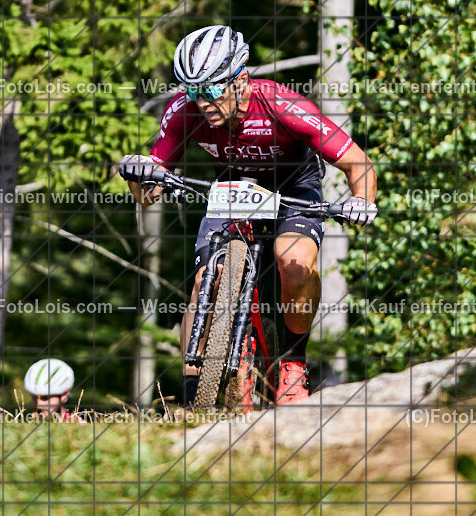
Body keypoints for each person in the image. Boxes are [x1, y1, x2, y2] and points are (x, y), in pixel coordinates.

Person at [119, 25, 378, 407]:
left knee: (293, 262)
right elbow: (149, 193)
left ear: (240, 80)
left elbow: (359, 163)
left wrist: (361, 201)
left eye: (211, 90)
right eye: (193, 91)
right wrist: (139, 176)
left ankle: (293, 362)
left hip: (292, 188)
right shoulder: (184, 110)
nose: (202, 102)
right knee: (205, 281)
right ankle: (192, 392)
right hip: (233, 188)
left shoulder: (281, 104)